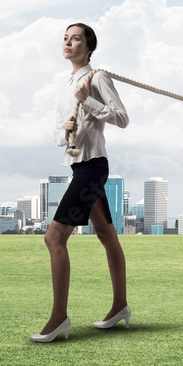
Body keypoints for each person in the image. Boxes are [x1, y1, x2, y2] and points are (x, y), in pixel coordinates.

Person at [30, 23, 132, 342]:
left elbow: (122, 118)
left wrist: (88, 102)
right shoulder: (65, 85)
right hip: (79, 166)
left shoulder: (97, 77)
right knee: (106, 234)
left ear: (89, 47)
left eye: (76, 39)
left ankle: (59, 318)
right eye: (65, 38)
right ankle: (120, 307)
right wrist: (66, 128)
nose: (68, 43)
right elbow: (58, 135)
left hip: (93, 167)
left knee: (54, 238)